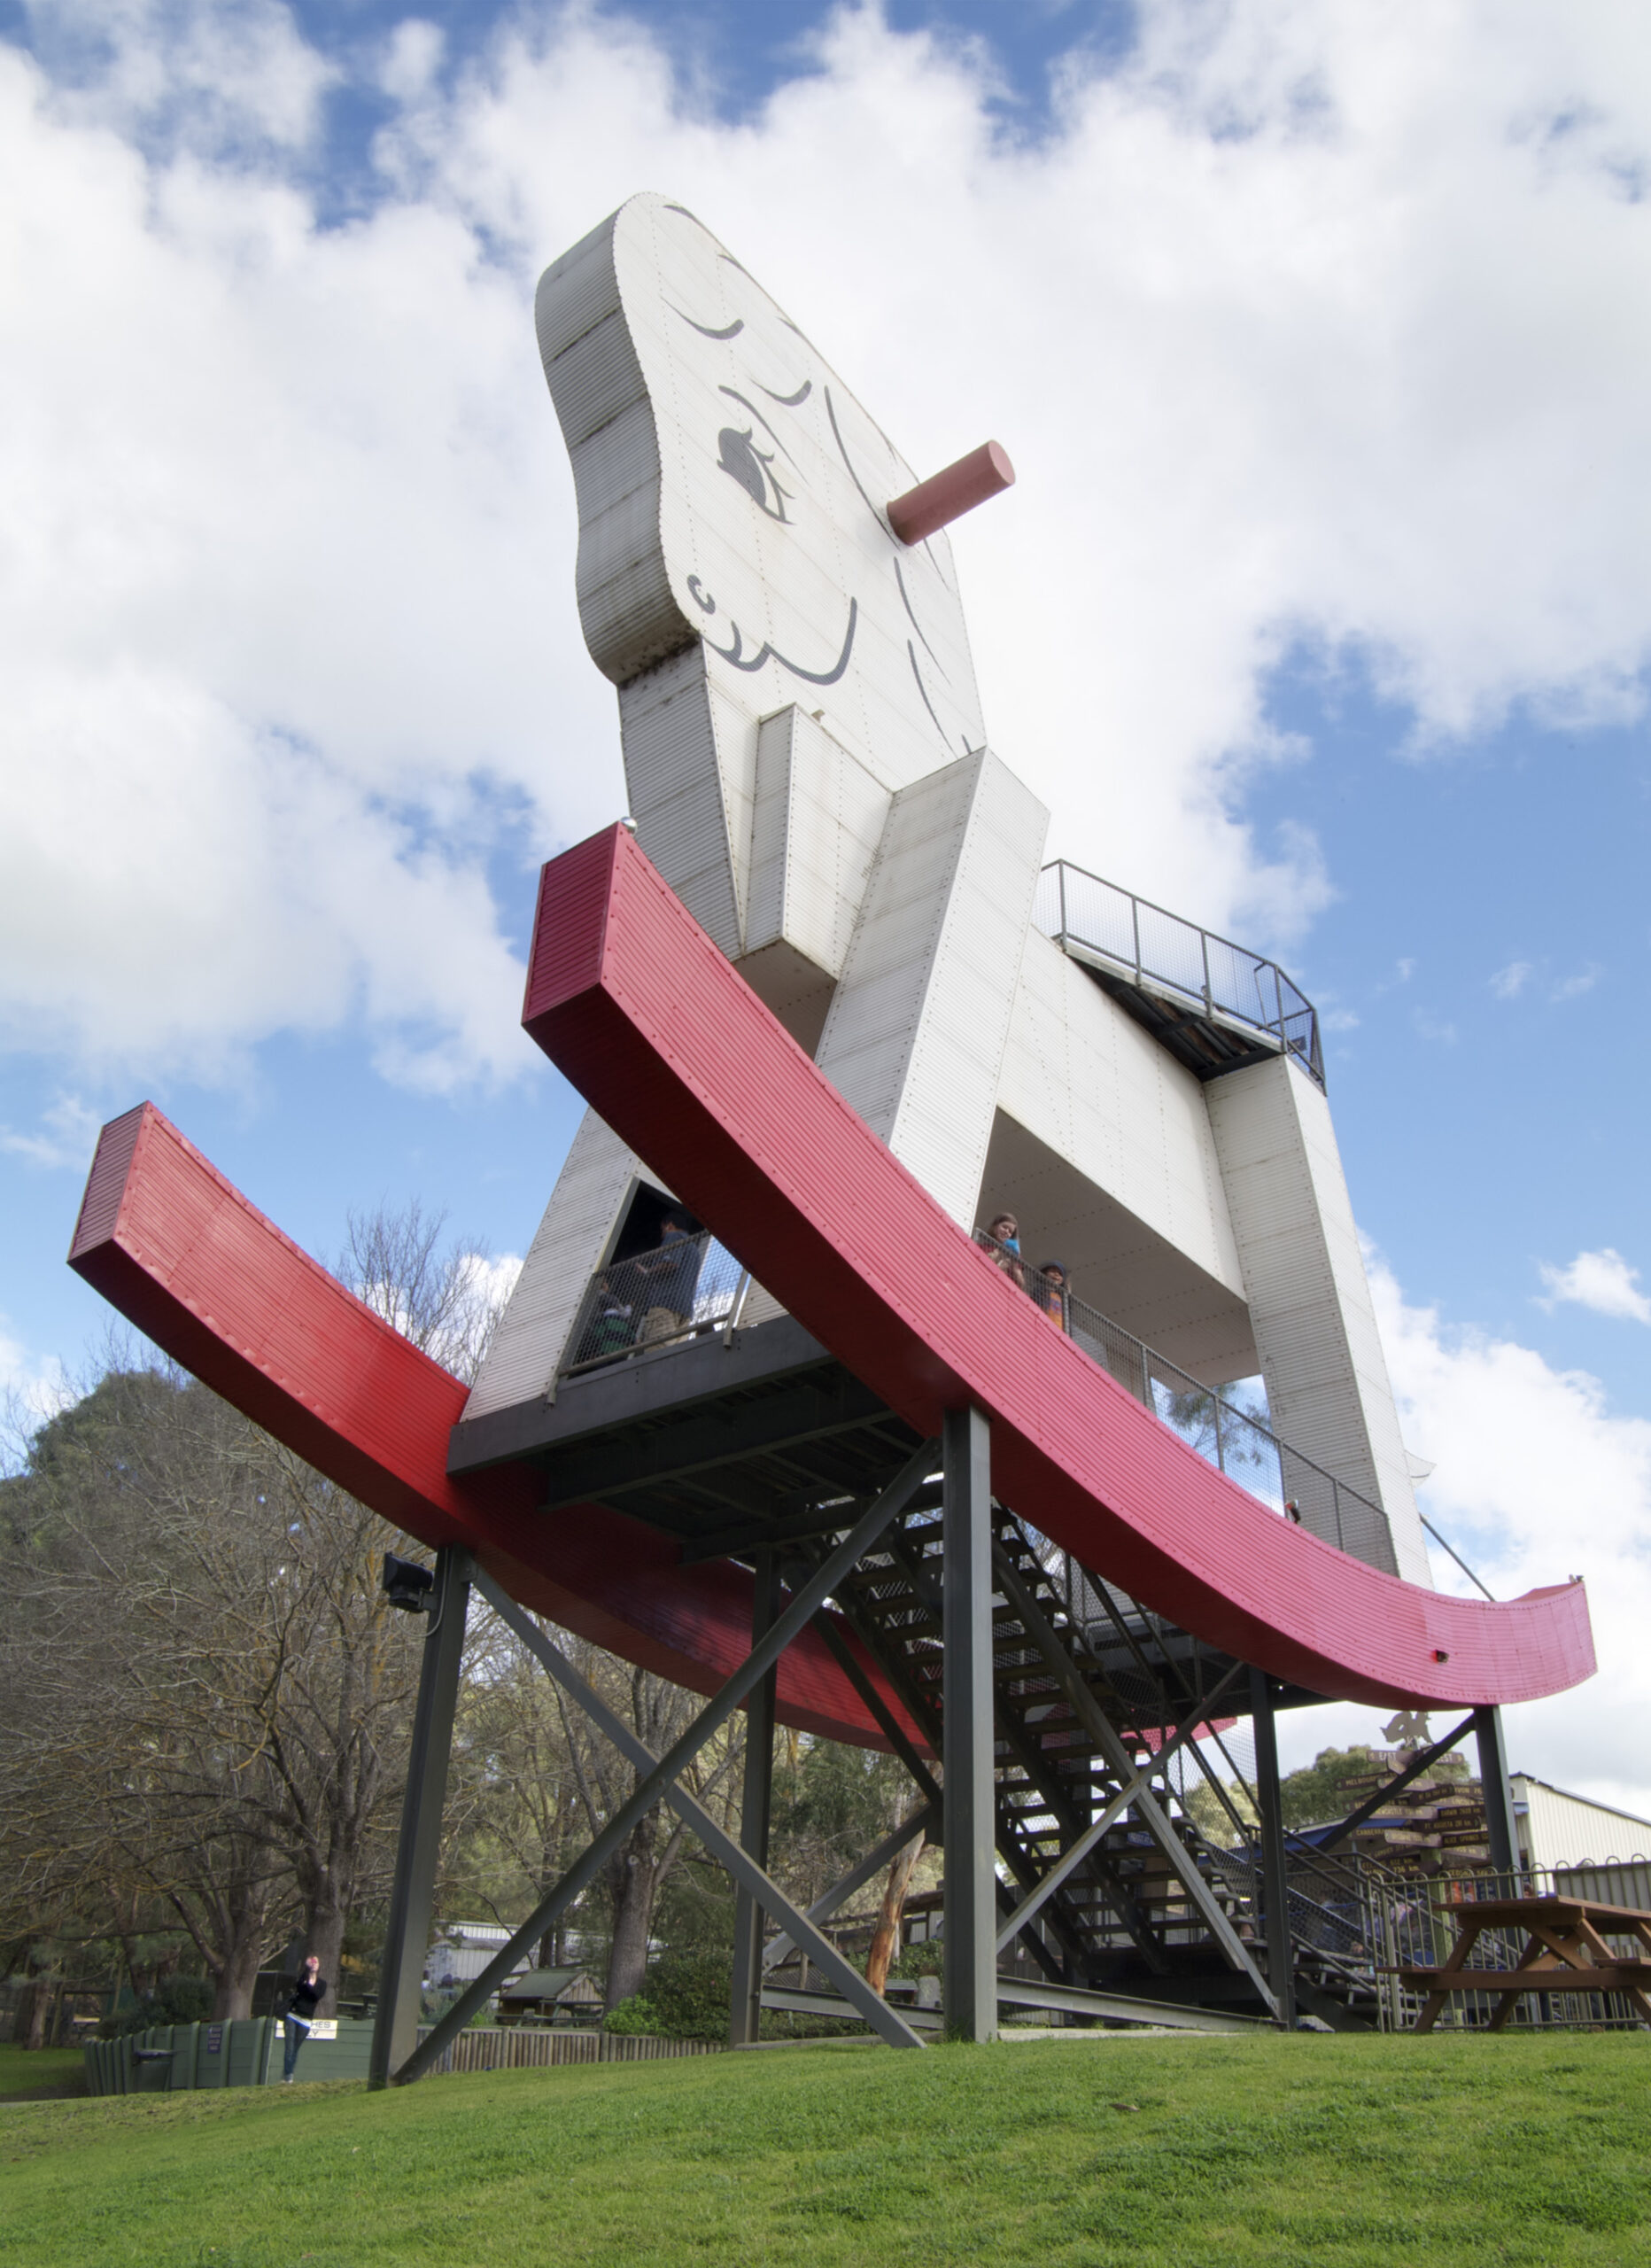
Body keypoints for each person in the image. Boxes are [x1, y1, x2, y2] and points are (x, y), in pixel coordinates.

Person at [636, 1212, 705, 1344]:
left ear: (670, 1226)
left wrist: (647, 1272)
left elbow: (670, 1263)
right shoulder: (694, 1249)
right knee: (671, 1358)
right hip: (685, 1312)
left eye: (662, 1229)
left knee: (655, 1353)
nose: (662, 1235)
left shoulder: (674, 1236)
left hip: (665, 1305)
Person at [282, 1953, 326, 2083]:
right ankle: (288, 2076)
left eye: (316, 1963)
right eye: (312, 1962)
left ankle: (287, 2071)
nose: (314, 1965)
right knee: (289, 2048)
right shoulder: (303, 1978)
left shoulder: (322, 1983)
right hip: (293, 2016)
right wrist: (307, 1974)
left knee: (295, 2049)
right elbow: (300, 1989)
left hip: (306, 2020)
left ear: (319, 1966)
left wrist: (309, 1987)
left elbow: (316, 1996)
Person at [975, 1211, 1024, 1291]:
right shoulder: (982, 1247)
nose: (1006, 1232)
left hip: (1001, 1292)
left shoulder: (1014, 1256)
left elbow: (1020, 1284)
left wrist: (1015, 1263)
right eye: (1004, 1227)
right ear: (995, 1226)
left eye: (1010, 1231)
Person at [1035, 1261, 1070, 1331]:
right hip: (1043, 1325)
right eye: (1053, 1271)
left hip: (1058, 1330)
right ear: (1044, 1274)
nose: (1056, 1274)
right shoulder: (1040, 1290)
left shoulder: (1061, 1297)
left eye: (1060, 1274)